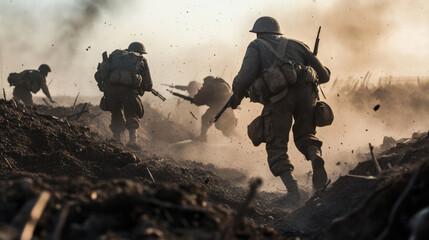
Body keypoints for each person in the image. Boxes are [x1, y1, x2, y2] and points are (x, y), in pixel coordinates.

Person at [229, 16, 331, 203]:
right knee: (306, 134)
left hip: (279, 99)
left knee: (276, 145)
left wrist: (237, 93)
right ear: (277, 32)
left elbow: (245, 77)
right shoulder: (298, 44)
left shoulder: (256, 45)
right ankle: (315, 156)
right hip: (307, 94)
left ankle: (293, 192)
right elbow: (323, 76)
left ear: (258, 33)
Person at [95, 42, 153, 148]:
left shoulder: (115, 56)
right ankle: (132, 141)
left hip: (111, 91)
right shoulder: (141, 60)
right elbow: (148, 85)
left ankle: (116, 140)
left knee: (116, 113)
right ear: (140, 52)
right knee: (132, 113)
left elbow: (102, 74)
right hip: (128, 91)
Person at [193, 76, 237, 141]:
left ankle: (203, 136)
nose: (204, 86)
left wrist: (195, 100)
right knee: (227, 128)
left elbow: (200, 100)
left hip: (218, 108)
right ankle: (242, 140)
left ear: (208, 82)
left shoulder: (211, 85)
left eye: (204, 84)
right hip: (228, 109)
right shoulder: (223, 84)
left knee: (205, 118)